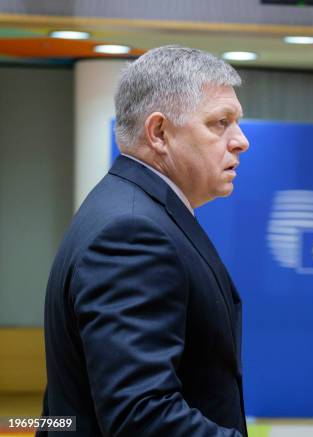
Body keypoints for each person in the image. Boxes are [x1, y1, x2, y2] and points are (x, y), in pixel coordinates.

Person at [38, 46, 250, 436]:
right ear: (159, 133)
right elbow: (140, 417)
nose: (241, 141)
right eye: (221, 122)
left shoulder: (129, 209)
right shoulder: (133, 232)